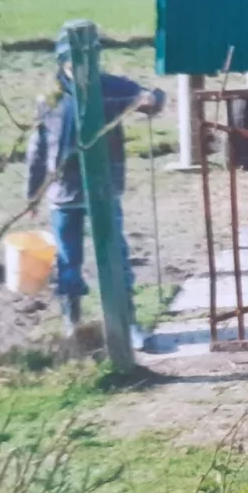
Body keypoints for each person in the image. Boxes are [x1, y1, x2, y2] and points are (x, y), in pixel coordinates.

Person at [25, 28, 166, 349]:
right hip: (63, 191)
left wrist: (153, 99)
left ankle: (127, 322)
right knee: (68, 260)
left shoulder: (110, 87)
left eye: (89, 59)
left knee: (115, 254)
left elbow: (149, 99)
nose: (81, 67)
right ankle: (72, 324)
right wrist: (32, 192)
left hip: (103, 189)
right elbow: (38, 147)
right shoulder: (51, 99)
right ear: (62, 61)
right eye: (74, 60)